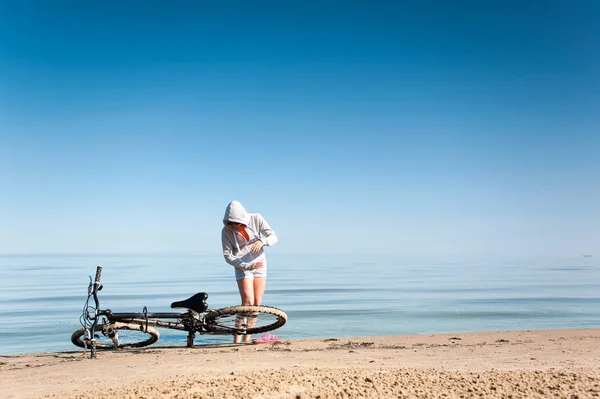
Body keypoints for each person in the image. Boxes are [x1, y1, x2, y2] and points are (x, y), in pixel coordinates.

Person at [221, 200, 278, 343]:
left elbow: (273, 237)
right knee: (247, 302)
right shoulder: (226, 231)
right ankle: (237, 338)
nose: (234, 226)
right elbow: (228, 256)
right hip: (242, 265)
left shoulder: (256, 218)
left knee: (256, 303)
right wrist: (245, 266)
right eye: (231, 222)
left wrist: (262, 242)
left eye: (236, 222)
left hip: (259, 263)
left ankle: (248, 337)